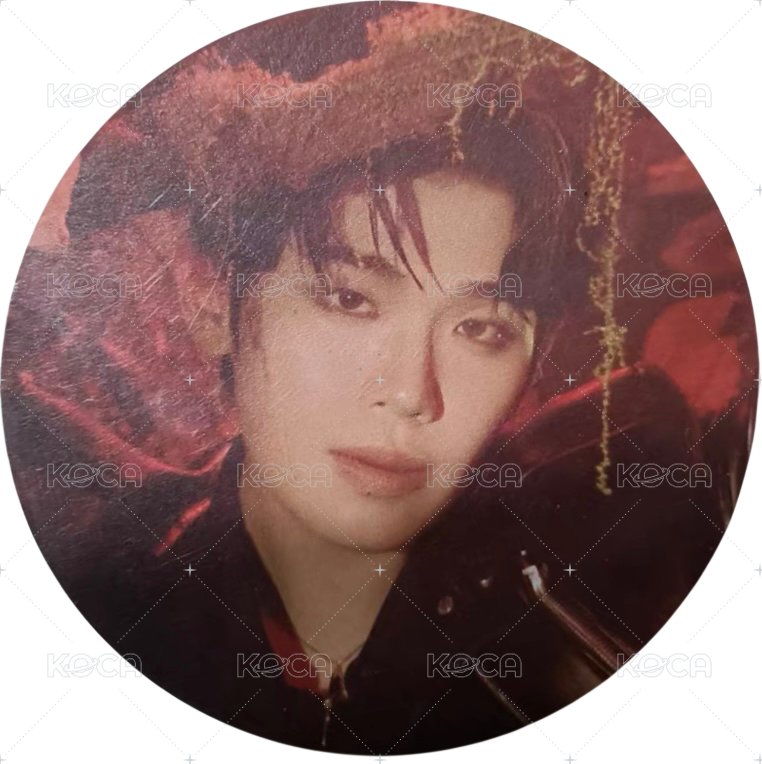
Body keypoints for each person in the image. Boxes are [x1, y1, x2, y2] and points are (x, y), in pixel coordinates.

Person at [2, 3, 748, 755]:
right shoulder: (93, 624)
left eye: (481, 329)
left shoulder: (609, 588)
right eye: (350, 299)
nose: (413, 393)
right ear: (211, 302)